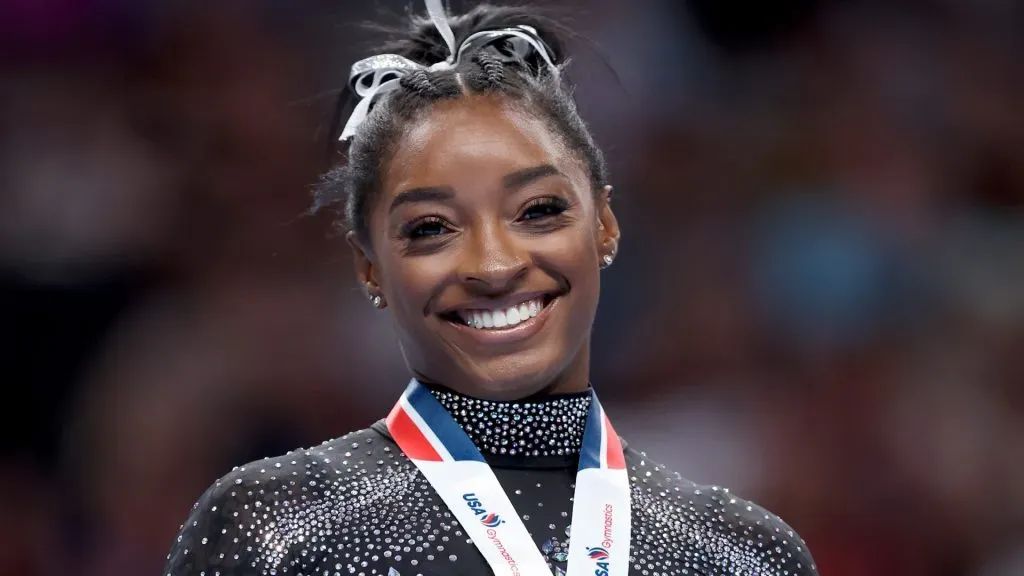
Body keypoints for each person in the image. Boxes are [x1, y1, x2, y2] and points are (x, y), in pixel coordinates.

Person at [164, 2, 818, 575]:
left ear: (605, 226)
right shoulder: (274, 532)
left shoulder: (738, 552)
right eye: (430, 227)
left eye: (537, 211)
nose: (495, 264)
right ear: (369, 267)